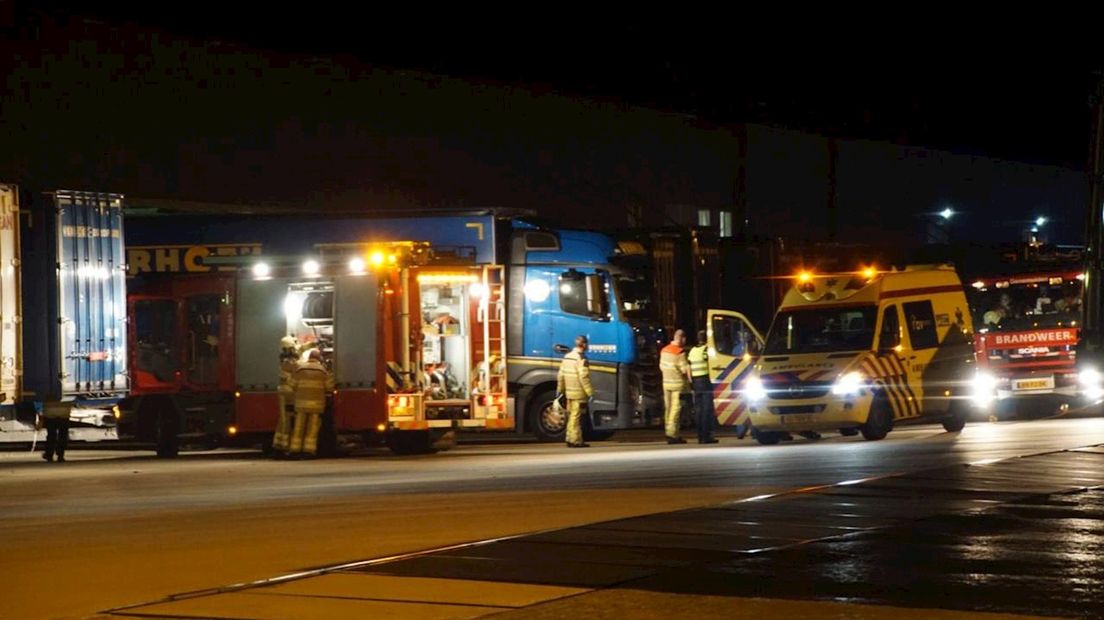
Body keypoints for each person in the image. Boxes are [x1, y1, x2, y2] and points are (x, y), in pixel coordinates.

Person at [287, 349, 335, 458]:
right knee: (312, 428)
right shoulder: (322, 371)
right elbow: (329, 387)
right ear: (319, 358)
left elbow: (291, 384)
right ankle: (309, 450)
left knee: (299, 427)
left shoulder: (300, 369)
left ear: (309, 357)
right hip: (316, 405)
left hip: (301, 404)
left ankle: (295, 450)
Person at [557, 335, 594, 448]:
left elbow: (561, 375)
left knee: (571, 415)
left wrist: (560, 389)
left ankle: (569, 437)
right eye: (586, 343)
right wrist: (590, 392)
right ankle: (575, 440)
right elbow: (584, 377)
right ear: (584, 345)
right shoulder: (581, 358)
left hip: (569, 392)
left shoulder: (567, 357)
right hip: (579, 393)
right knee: (576, 417)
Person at [660, 330, 691, 444]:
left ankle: (667, 431)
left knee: (667, 409)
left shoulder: (664, 350)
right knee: (675, 410)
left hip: (665, 383)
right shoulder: (680, 352)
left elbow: (661, 366)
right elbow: (684, 370)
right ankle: (672, 435)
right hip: (677, 384)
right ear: (681, 338)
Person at [688, 331, 718, 444]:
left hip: (696, 382)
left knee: (699, 410)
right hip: (705, 380)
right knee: (707, 410)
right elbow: (711, 364)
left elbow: (689, 367)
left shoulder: (692, 351)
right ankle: (706, 437)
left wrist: (691, 382)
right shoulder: (706, 350)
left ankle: (700, 436)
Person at [272, 336, 300, 455]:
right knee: (286, 420)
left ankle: (281, 445)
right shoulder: (288, 363)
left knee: (286, 419)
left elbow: (301, 348)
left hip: (286, 392)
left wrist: (312, 344)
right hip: (287, 392)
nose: (295, 350)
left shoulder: (285, 359)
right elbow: (297, 370)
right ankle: (283, 446)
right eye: (293, 347)